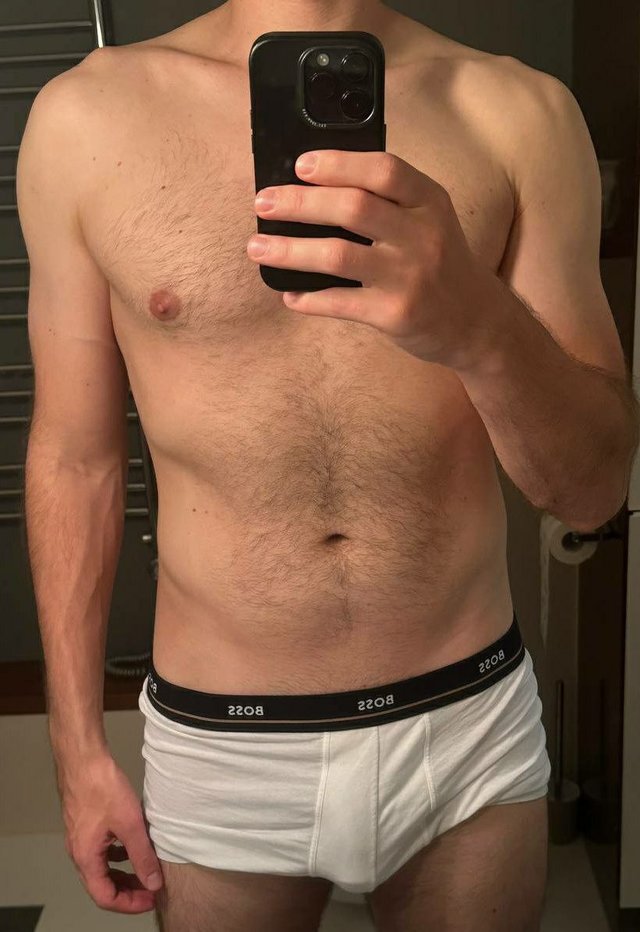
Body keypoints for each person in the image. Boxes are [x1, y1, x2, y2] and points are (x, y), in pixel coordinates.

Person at [17, 0, 639, 929]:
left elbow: (593, 490)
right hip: (225, 742)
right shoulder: (88, 118)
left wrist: (478, 325)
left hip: (464, 724)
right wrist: (75, 749)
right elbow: (75, 459)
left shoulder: (519, 114)